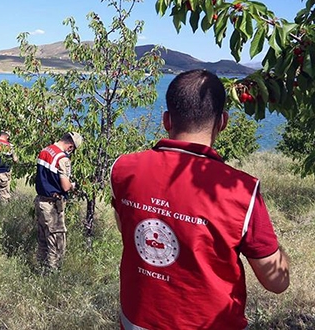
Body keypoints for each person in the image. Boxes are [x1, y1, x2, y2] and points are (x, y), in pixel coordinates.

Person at [110, 69, 290, 329]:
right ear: (223, 122)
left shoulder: (123, 169)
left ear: (166, 120)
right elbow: (277, 281)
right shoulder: (240, 189)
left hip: (137, 320)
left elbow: (126, 228)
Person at [34, 132, 82, 271]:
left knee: (43, 238)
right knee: (56, 241)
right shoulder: (62, 159)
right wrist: (73, 185)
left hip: (40, 201)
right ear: (70, 147)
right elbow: (65, 186)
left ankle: (40, 268)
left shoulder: (45, 150)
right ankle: (53, 273)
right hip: (52, 205)